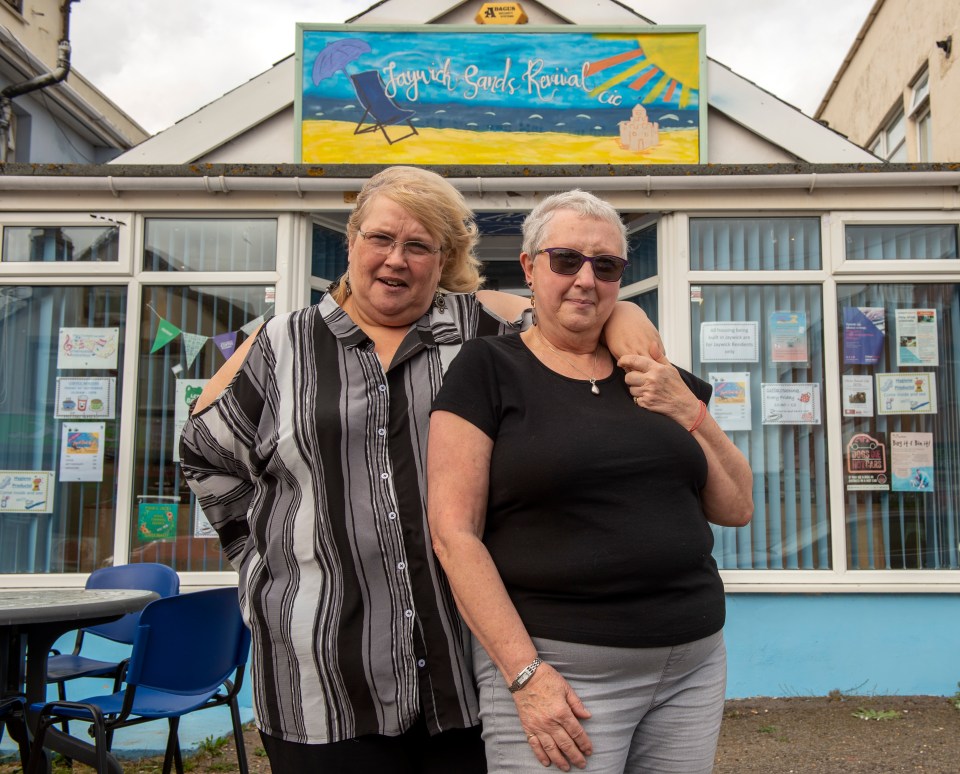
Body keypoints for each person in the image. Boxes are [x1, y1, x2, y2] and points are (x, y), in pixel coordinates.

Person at [179, 168, 664, 773]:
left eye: (418, 246)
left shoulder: (484, 332)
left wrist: (628, 318)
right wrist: (256, 558)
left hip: (467, 671)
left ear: (445, 260)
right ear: (352, 240)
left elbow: (575, 310)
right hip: (322, 678)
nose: (395, 260)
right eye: (380, 238)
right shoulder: (284, 344)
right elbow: (205, 450)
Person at [427, 190, 754, 774]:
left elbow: (736, 506)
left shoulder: (655, 376)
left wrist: (690, 410)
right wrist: (525, 676)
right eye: (566, 260)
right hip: (565, 670)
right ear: (529, 268)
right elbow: (454, 535)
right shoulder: (487, 370)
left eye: (606, 266)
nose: (586, 279)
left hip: (693, 663)